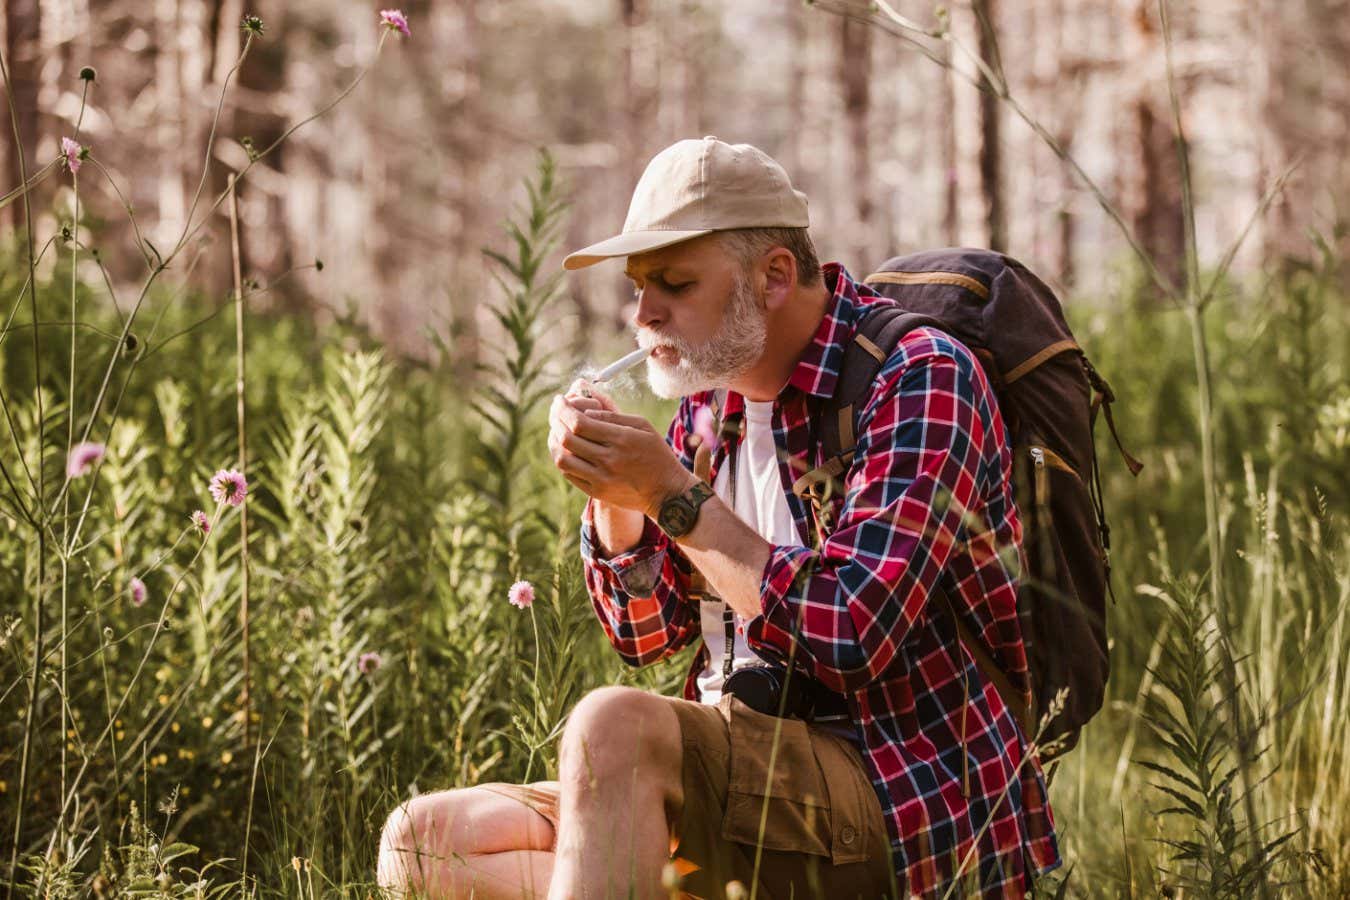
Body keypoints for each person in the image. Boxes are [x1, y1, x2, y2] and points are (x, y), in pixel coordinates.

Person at [377, 137, 1060, 899]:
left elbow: (851, 633)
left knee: (614, 728)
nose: (645, 314)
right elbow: (647, 636)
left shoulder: (918, 377)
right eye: (639, 286)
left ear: (774, 276)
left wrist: (669, 493)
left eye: (674, 283)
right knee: (423, 842)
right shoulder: (711, 402)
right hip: (750, 772)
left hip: (903, 787)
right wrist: (617, 496)